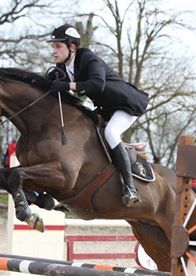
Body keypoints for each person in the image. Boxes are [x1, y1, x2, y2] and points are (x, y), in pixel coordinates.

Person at [47, 24, 149, 207]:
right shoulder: (61, 68)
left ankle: (130, 187)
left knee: (111, 132)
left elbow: (97, 84)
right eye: (52, 46)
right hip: (106, 107)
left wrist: (68, 86)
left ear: (72, 47)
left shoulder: (88, 58)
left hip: (126, 104)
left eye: (58, 46)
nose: (53, 51)